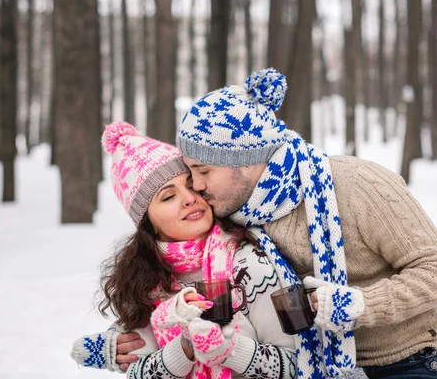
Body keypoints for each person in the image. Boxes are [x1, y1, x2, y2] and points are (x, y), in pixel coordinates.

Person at [170, 68, 437, 379]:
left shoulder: (355, 184)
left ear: (246, 159)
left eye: (203, 170)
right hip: (315, 367)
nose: (197, 186)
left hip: (410, 360)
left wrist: (353, 305)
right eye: (191, 173)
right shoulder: (233, 216)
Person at [70, 122, 296, 378]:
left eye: (191, 184)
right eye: (168, 197)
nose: (190, 198)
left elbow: (298, 365)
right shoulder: (146, 283)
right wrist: (183, 349)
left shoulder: (250, 262)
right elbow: (138, 372)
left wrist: (229, 350)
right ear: (149, 224)